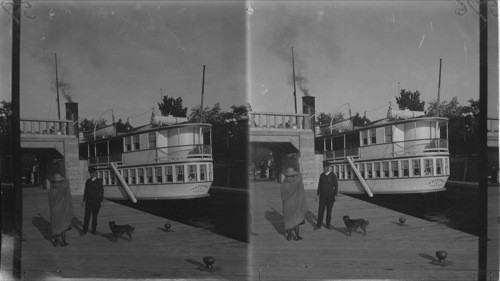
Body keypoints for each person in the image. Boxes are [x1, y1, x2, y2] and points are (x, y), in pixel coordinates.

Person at [281, 167, 308, 241]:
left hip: (287, 204)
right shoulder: (296, 181)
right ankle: (296, 236)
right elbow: (299, 175)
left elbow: (283, 195)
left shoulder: (283, 183)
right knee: (296, 219)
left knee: (288, 219)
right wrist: (296, 171)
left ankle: (289, 236)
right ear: (293, 175)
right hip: (295, 203)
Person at [48, 173, 74, 246]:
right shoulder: (63, 189)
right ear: (60, 181)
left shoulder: (50, 191)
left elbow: (50, 202)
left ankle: (55, 242)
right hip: (62, 210)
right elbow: (66, 182)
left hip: (54, 210)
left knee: (55, 226)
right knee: (63, 226)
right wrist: (64, 176)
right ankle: (63, 242)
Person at [314, 161, 338, 230]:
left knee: (329, 211)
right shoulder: (321, 175)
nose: (324, 168)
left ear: (328, 167)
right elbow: (319, 185)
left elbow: (336, 185)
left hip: (331, 196)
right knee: (320, 210)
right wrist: (317, 194)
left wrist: (336, 195)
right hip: (322, 196)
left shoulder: (333, 175)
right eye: (323, 167)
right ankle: (318, 225)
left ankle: (328, 225)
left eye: (325, 167)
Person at [81, 167, 104, 235]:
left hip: (96, 202)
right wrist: (83, 200)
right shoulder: (87, 181)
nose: (91, 174)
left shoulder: (99, 181)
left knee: (94, 217)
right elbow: (86, 191)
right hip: (88, 202)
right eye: (90, 173)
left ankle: (93, 231)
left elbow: (102, 191)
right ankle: (84, 231)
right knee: (86, 217)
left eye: (93, 173)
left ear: (95, 174)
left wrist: (101, 201)